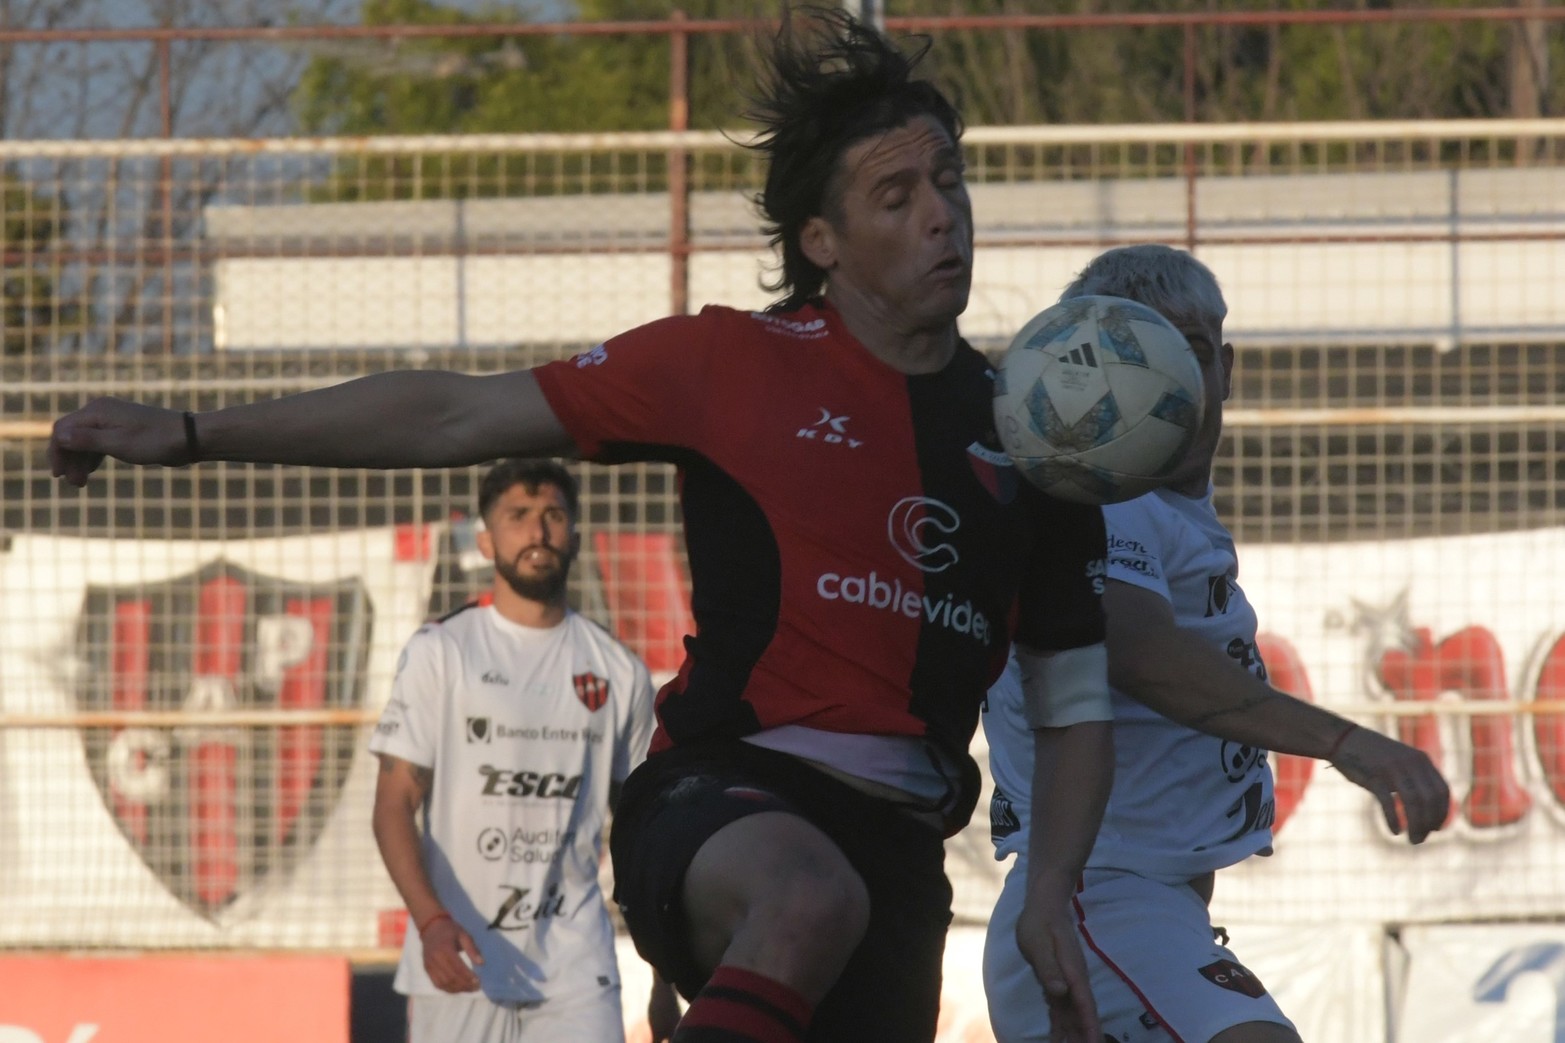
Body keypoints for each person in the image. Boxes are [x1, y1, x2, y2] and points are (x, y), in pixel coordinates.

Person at [49, 9, 1116, 1042]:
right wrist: (194, 433)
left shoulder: (1029, 436)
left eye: (948, 181)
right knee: (805, 897)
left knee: (829, 901)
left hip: (900, 847)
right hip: (721, 795)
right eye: (898, 194)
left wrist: (1050, 890)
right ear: (822, 241)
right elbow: (453, 413)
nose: (941, 213)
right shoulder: (730, 362)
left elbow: (1071, 699)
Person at [981, 244, 1452, 1043]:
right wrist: (1344, 741)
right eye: (1137, 363)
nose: (1170, 389)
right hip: (1098, 904)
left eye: (1190, 354)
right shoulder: (1108, 501)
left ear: (1224, 368)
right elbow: (1138, 650)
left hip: (1144, 909)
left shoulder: (1168, 513)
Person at [369, 458, 678, 1042]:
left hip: (576, 970)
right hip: (459, 959)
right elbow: (392, 807)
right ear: (486, 540)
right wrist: (431, 922)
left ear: (575, 535)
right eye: (518, 516)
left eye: (553, 515)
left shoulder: (618, 671)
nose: (538, 531)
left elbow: (647, 834)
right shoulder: (442, 652)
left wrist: (665, 978)